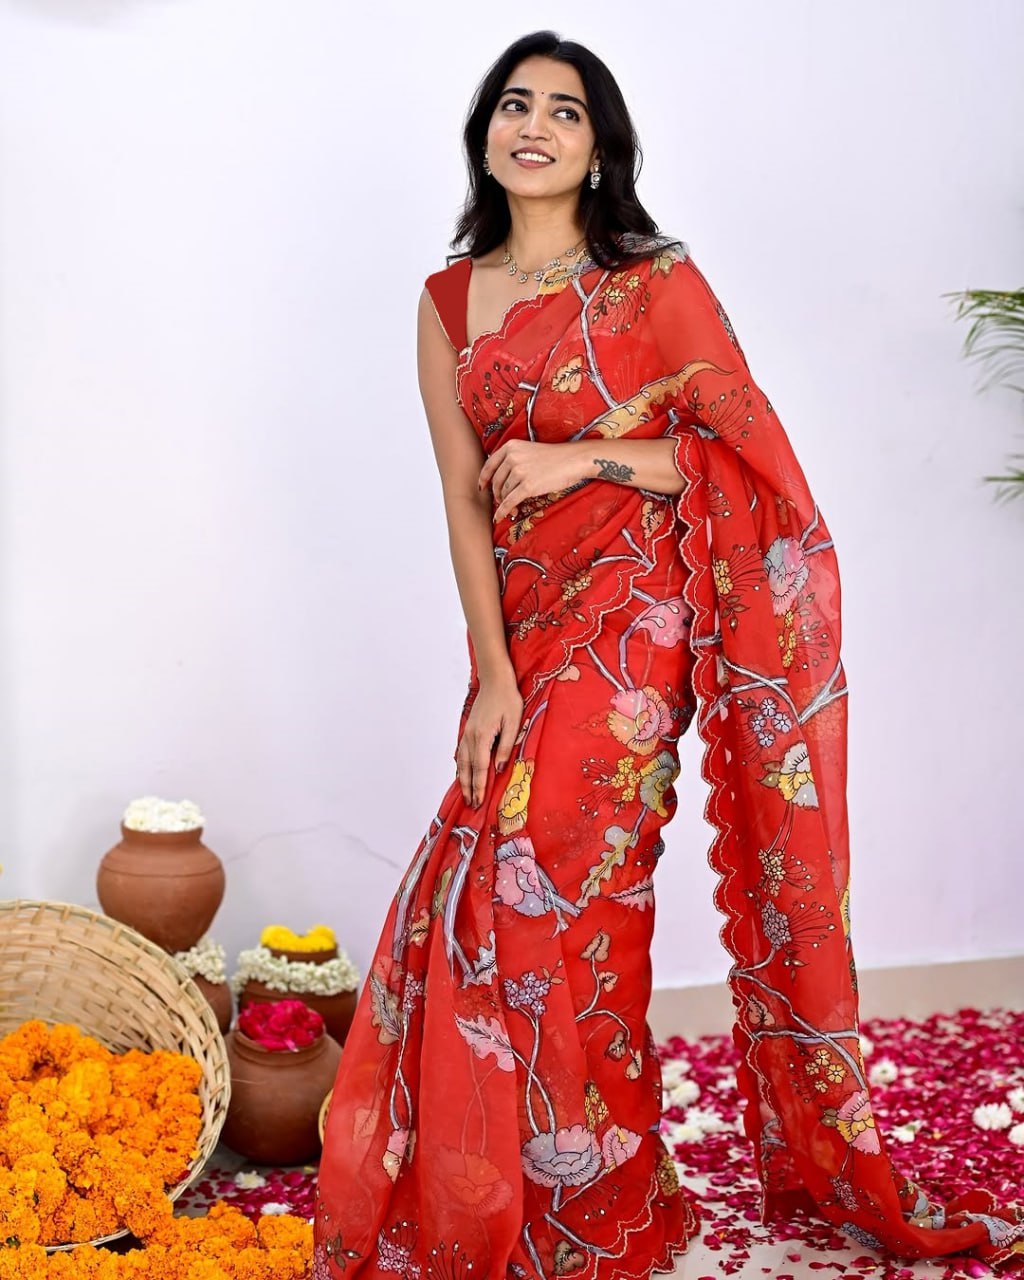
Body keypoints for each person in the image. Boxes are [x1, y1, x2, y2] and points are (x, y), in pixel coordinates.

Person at [314, 29, 1024, 1279]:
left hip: (635, 621)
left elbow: (752, 460)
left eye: (565, 110)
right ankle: (537, 1188)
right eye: (514, 104)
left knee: (556, 871)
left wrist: (579, 456)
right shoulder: (445, 301)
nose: (535, 125)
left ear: (599, 148)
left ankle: (588, 1201)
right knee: (490, 872)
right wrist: (491, 673)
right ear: (485, 133)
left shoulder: (652, 284)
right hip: (523, 624)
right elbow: (462, 505)